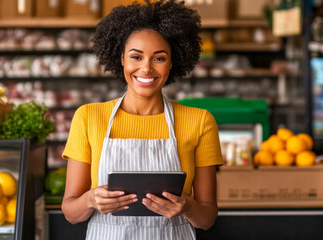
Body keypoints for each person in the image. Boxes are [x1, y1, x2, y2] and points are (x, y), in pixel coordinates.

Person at [61, 0, 223, 239]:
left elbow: (207, 218)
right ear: (122, 59)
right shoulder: (88, 117)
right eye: (136, 57)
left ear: (172, 63)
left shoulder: (199, 121)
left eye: (159, 58)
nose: (146, 69)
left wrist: (187, 207)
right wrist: (90, 199)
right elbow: (71, 213)